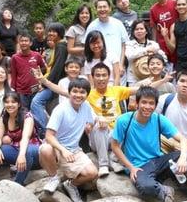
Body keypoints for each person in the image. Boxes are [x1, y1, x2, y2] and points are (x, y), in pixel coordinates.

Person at [34, 62, 173, 177]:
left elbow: (142, 91)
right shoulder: (86, 93)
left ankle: (115, 158)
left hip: (116, 136)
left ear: (109, 77)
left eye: (104, 75)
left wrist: (163, 80)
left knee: (128, 124)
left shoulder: (116, 90)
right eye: (98, 75)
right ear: (92, 77)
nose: (101, 78)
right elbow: (63, 91)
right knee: (100, 126)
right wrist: (43, 80)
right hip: (98, 136)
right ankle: (104, 164)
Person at [111, 86, 187, 202]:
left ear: (155, 105)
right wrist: (130, 167)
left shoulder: (159, 119)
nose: (147, 107)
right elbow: (115, 146)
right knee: (145, 187)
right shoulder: (124, 121)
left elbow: (183, 139)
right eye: (144, 102)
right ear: (137, 103)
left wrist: (182, 157)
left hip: (158, 161)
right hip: (139, 166)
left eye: (151, 103)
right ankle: (165, 191)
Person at [39, 78, 98, 202]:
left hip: (74, 149)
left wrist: (90, 126)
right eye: (75, 91)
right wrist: (63, 150)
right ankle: (53, 177)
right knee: (45, 148)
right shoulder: (60, 109)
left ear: (87, 95)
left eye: (82, 92)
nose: (78, 95)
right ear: (69, 93)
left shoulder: (86, 107)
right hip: (56, 148)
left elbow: (92, 120)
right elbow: (49, 136)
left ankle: (70, 185)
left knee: (92, 173)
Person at [0, 92, 41, 189]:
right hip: (17, 150)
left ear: (18, 104)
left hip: (33, 151)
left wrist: (22, 155)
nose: (10, 105)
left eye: (13, 102)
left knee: (27, 152)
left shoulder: (27, 117)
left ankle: (16, 185)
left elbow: (25, 138)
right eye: (7, 102)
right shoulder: (5, 117)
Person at [157, 70, 187, 155]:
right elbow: (152, 121)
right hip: (166, 139)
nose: (185, 85)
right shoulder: (164, 99)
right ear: (176, 84)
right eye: (182, 81)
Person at [30, 23, 68, 135]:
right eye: (50, 31)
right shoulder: (59, 45)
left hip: (54, 84)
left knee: (36, 102)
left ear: (60, 33)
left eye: (54, 31)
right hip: (51, 82)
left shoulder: (61, 47)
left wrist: (45, 84)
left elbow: (57, 68)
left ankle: (45, 131)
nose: (51, 33)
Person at [85, 0, 128, 81]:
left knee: (117, 90)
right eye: (99, 7)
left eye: (104, 7)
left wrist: (121, 64)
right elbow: (87, 46)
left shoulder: (118, 23)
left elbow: (124, 45)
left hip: (117, 66)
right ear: (96, 9)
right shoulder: (92, 26)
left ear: (110, 8)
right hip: (98, 70)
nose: (102, 9)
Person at [10, 32, 46, 109]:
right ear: (19, 43)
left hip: (36, 89)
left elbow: (44, 68)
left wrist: (38, 75)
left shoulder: (37, 55)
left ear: (31, 43)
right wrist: (13, 90)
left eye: (26, 41)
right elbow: (13, 75)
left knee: (35, 112)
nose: (23, 43)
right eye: (22, 41)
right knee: (24, 113)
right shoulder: (14, 57)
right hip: (21, 91)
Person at [125, 19, 165, 85]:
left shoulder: (153, 44)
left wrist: (155, 53)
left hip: (152, 78)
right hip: (134, 78)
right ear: (133, 32)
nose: (139, 31)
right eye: (136, 29)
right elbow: (129, 56)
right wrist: (146, 50)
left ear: (146, 31)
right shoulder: (129, 44)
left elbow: (164, 58)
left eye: (141, 29)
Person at [149, 0, 178, 68]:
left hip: (176, 37)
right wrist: (154, 42)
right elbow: (153, 27)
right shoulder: (153, 9)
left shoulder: (174, 3)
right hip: (162, 41)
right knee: (166, 64)